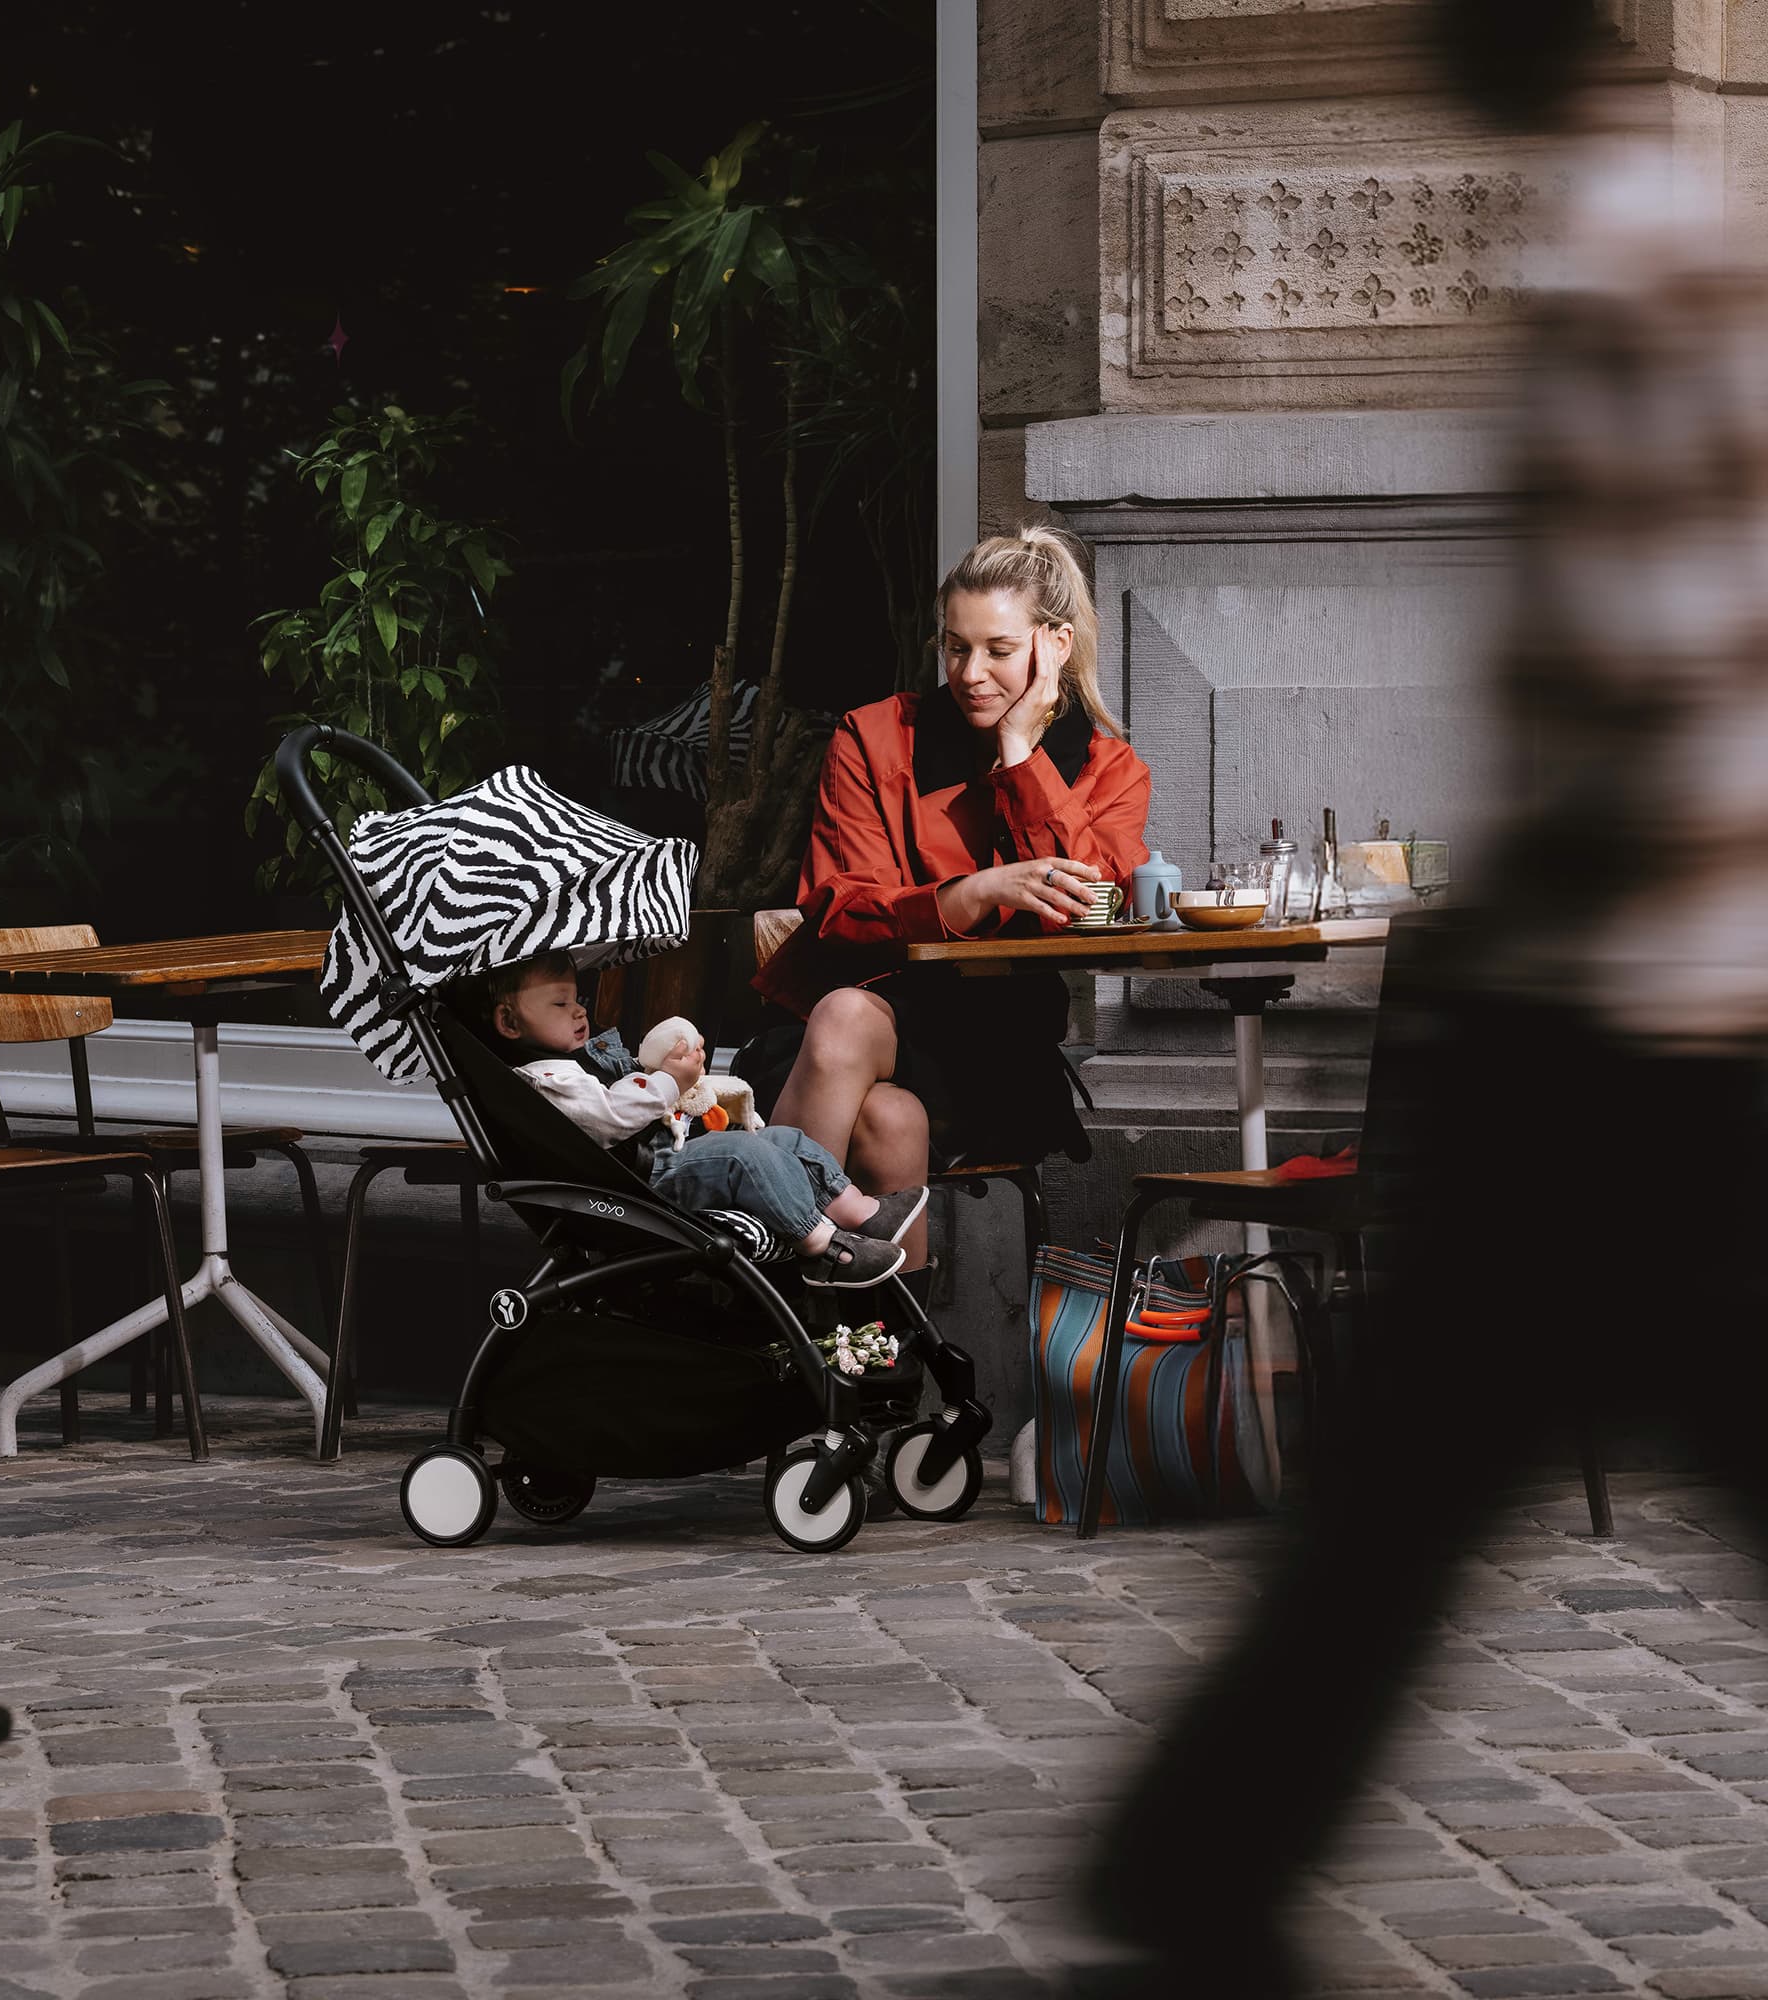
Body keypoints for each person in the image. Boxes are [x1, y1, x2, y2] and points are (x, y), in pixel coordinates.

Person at [1077, 6, 1768, 1992]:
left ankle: (1189, 1877)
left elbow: (1647, 659)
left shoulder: (1615, 271)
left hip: (1611, 1001)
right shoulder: (1666, 241)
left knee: (1427, 1472)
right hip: (1658, 985)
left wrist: (1499, 939)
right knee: (1441, 1461)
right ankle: (1189, 1874)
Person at [746, 525, 1152, 1272]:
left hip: (991, 1041)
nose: (970, 673)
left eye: (999, 649)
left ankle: (759, 1293)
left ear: (1055, 645)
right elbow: (841, 906)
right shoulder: (874, 737)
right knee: (884, 1111)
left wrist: (1022, 755)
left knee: (890, 1113)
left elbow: (1087, 900)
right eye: (956, 647)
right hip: (843, 1020)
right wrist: (968, 896)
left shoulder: (1109, 769)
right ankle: (888, 1368)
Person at [469, 951, 927, 1288]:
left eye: (577, 999)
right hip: (642, 1182)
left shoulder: (575, 1063)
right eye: (559, 1003)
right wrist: (667, 1080)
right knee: (744, 1153)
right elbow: (610, 1119)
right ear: (509, 1023)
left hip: (666, 1156)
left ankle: (859, 1210)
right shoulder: (547, 1080)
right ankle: (823, 1249)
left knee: (783, 1138)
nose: (580, 1010)